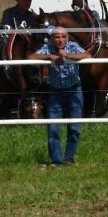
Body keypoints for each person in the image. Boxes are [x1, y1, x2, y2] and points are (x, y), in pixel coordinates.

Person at [32, 26, 88, 166]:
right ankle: (56, 161)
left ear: (67, 38)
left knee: (74, 127)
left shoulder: (73, 46)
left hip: (74, 90)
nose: (60, 39)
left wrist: (69, 56)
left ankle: (69, 159)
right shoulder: (48, 47)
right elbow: (31, 57)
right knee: (53, 128)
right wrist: (50, 57)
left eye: (63, 37)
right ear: (52, 38)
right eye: (57, 37)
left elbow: (87, 55)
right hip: (55, 92)